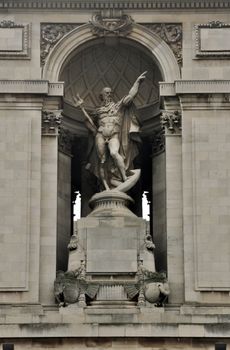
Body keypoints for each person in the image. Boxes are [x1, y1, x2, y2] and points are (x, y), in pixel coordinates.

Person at [74, 71, 146, 191]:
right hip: (101, 135)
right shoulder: (98, 111)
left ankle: (124, 178)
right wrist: (83, 111)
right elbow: (88, 121)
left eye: (110, 93)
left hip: (114, 135)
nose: (109, 94)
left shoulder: (118, 106)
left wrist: (137, 83)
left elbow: (130, 97)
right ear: (101, 95)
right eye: (106, 93)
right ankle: (106, 187)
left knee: (114, 153)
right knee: (101, 161)